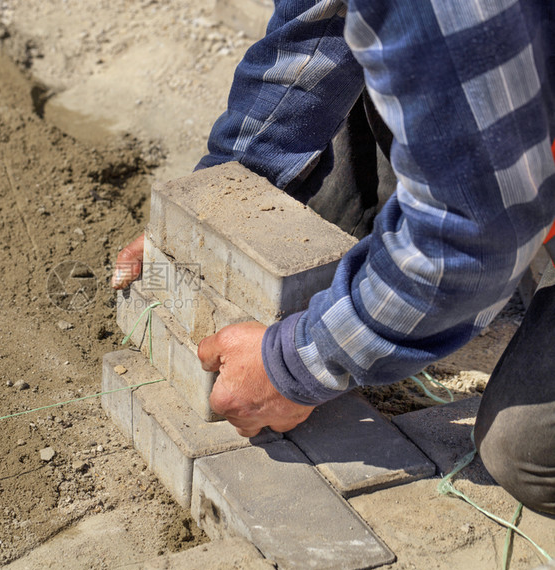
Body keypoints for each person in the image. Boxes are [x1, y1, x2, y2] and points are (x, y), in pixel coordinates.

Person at [112, 0, 555, 516]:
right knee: (374, 75)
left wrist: (299, 365)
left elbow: (476, 234)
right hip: (516, 113)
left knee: (524, 452)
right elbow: (315, 32)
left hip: (509, 189)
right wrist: (206, 207)